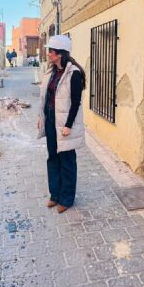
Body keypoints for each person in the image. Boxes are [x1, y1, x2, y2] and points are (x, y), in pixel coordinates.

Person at [37, 35, 85, 213]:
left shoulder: (74, 73)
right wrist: (41, 117)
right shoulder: (50, 72)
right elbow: (46, 97)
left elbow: (76, 102)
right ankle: (55, 195)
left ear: (60, 54)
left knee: (67, 161)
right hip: (50, 120)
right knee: (52, 158)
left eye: (51, 51)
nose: (48, 53)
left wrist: (68, 125)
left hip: (64, 124)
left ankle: (66, 198)